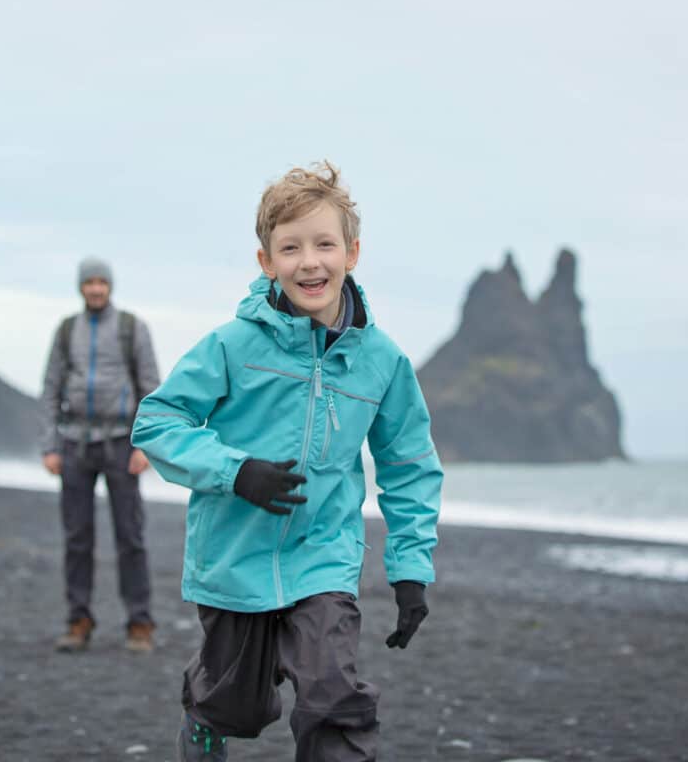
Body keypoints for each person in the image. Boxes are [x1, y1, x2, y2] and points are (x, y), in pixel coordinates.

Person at [132, 162, 442, 761]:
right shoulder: (232, 344)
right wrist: (235, 471)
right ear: (265, 261)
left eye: (325, 244)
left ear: (352, 253)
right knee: (235, 706)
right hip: (233, 559)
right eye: (291, 247)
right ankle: (204, 722)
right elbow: (157, 422)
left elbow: (408, 464)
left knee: (333, 695)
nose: (310, 262)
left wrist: (411, 567)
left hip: (324, 556)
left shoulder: (382, 361)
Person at [40, 257, 161, 653]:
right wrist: (49, 446)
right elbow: (51, 387)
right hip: (74, 445)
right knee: (77, 538)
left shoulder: (131, 328)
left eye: (101, 282)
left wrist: (146, 445)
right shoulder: (66, 330)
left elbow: (151, 388)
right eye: (89, 282)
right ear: (80, 287)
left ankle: (139, 623)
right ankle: (78, 620)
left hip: (122, 443)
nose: (95, 288)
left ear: (110, 286)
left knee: (130, 536)